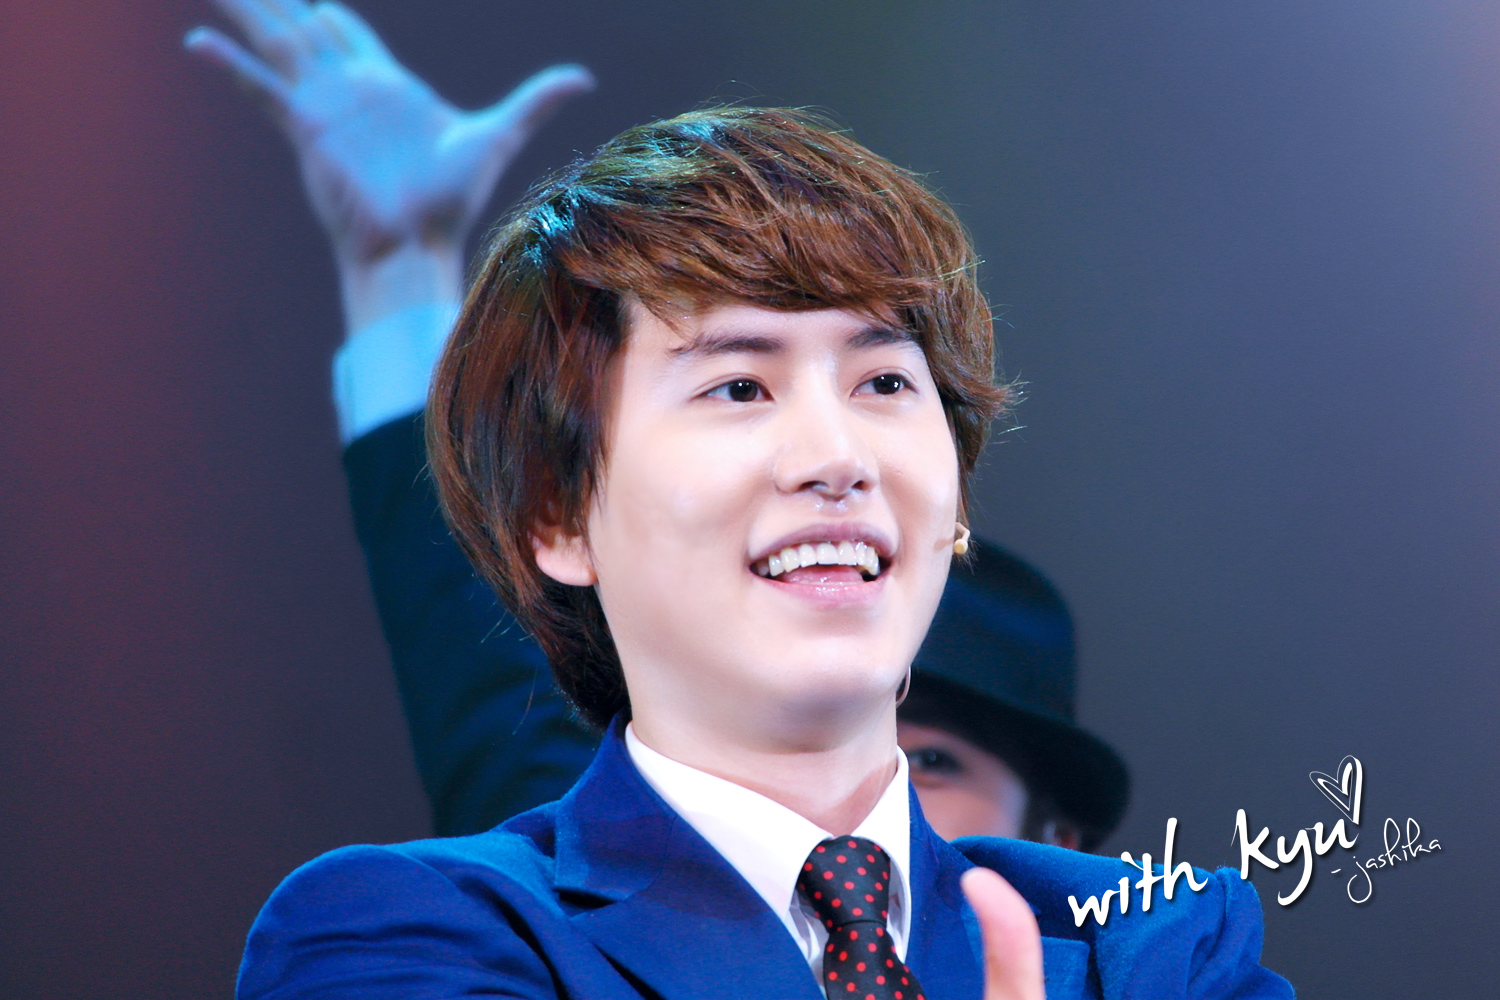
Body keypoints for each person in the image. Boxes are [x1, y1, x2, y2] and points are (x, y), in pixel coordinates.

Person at [194, 7, 1292, 999]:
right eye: (739, 387)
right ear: (558, 517)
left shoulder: (1151, 945)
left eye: (884, 382)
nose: (837, 455)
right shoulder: (414, 932)